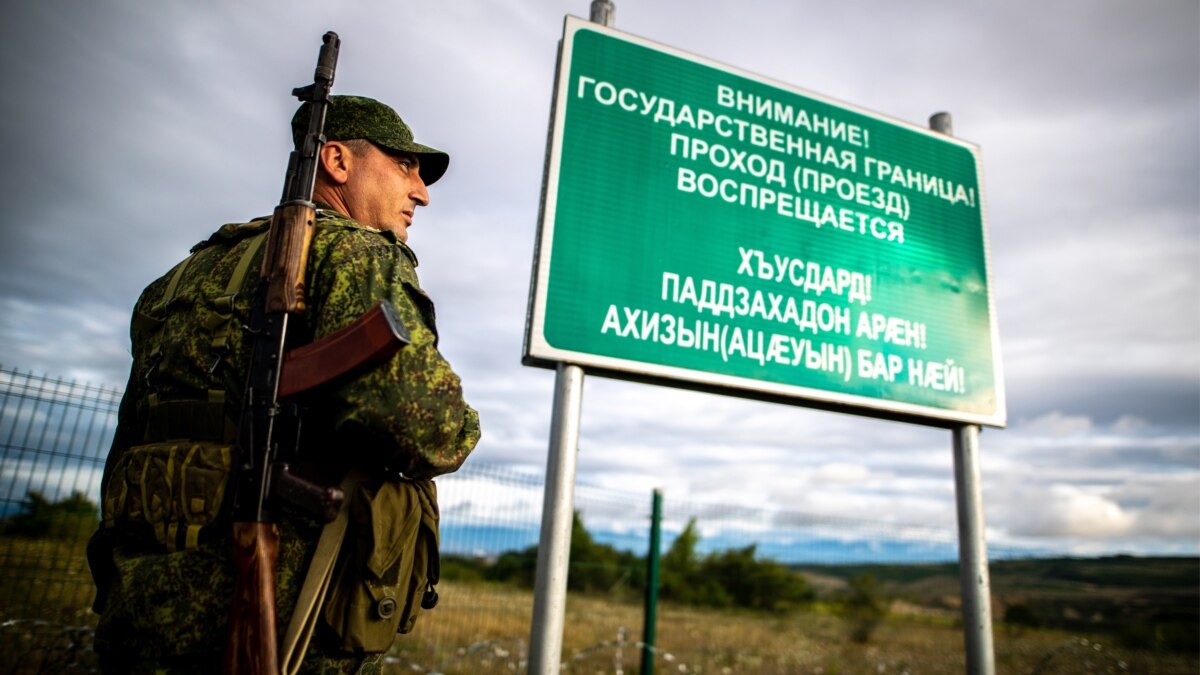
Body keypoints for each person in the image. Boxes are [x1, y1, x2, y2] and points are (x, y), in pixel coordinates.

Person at [88, 95, 481, 674]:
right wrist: (465, 423)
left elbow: (131, 438)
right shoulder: (354, 253)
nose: (421, 191)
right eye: (404, 166)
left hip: (141, 612)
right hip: (285, 618)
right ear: (338, 162)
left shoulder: (178, 278)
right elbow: (425, 426)